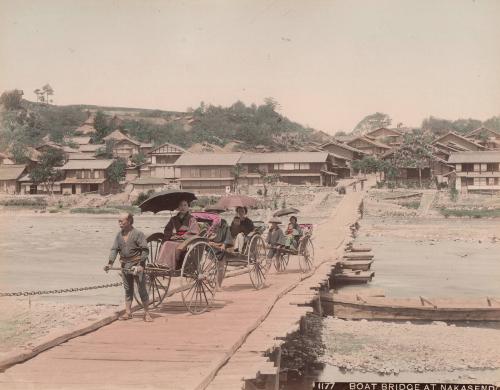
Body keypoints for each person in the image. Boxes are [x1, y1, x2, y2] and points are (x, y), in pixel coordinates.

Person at [104, 213, 152, 322]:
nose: (119, 223)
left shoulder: (138, 234)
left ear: (129, 221)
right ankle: (128, 312)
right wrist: (110, 263)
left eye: (122, 221)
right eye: (118, 221)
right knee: (128, 289)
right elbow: (114, 249)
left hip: (137, 265)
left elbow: (145, 250)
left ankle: (147, 313)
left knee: (142, 290)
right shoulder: (118, 235)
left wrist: (141, 265)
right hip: (124, 266)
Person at [157, 200, 200, 269]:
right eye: (180, 205)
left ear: (188, 207)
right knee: (166, 243)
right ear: (178, 207)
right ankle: (161, 264)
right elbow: (167, 230)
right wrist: (172, 235)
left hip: (185, 242)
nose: (183, 207)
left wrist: (182, 236)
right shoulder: (173, 219)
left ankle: (169, 266)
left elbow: (194, 232)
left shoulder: (191, 219)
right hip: (173, 240)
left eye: (185, 205)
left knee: (170, 244)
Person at [207, 218, 233, 289]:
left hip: (221, 246)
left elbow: (228, 236)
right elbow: (206, 235)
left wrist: (224, 244)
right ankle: (208, 281)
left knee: (220, 267)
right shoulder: (209, 223)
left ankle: (219, 285)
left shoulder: (224, 224)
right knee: (208, 266)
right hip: (211, 246)